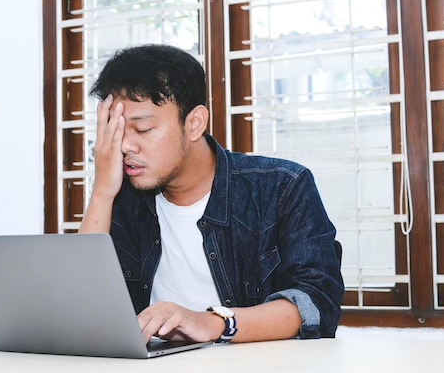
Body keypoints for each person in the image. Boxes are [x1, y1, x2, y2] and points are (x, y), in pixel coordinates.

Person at [78, 44, 344, 344]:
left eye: (142, 129)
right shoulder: (121, 198)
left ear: (194, 123)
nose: (126, 146)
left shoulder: (282, 187)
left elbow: (316, 303)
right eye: (116, 130)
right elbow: (80, 309)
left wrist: (214, 322)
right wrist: (101, 191)